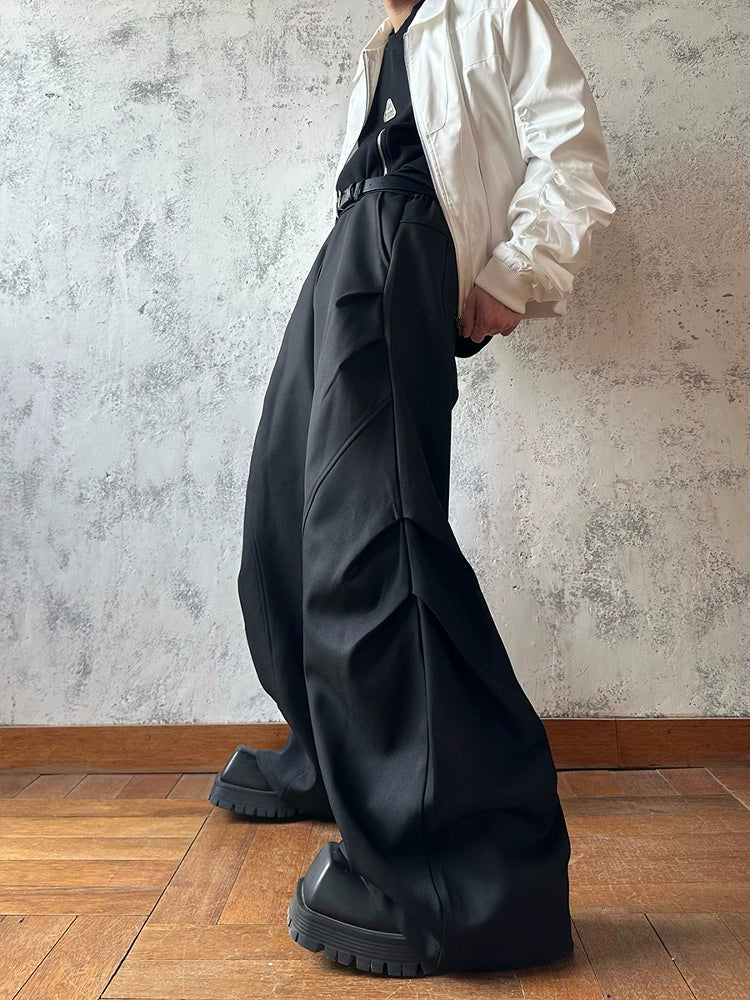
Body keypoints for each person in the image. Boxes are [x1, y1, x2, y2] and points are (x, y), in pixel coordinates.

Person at [209, 0, 616, 978]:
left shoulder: (493, 8)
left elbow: (572, 151)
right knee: (283, 525)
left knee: (376, 541)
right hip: (348, 248)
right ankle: (341, 760)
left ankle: (464, 871)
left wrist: (517, 271)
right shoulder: (382, 46)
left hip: (405, 240)